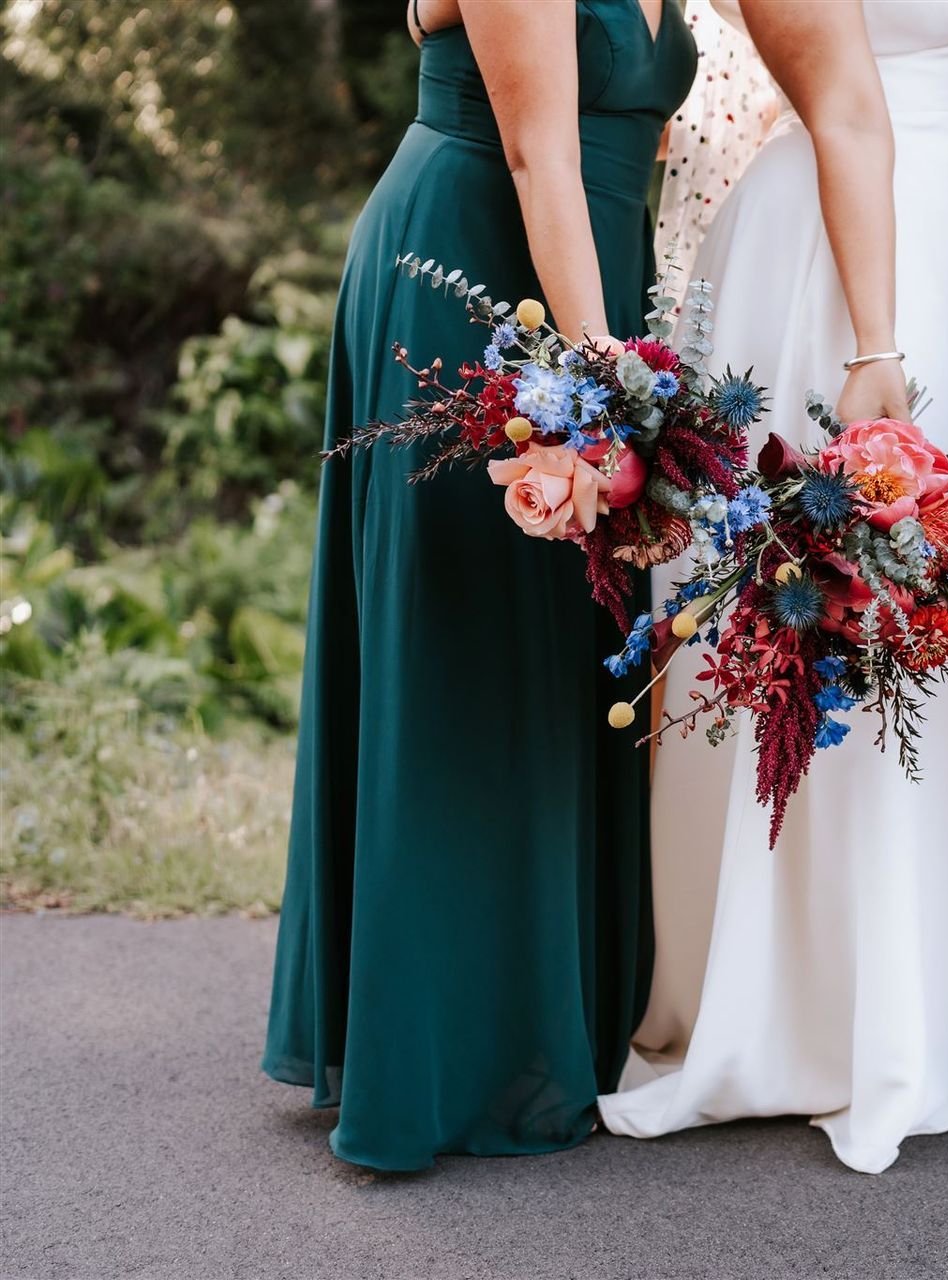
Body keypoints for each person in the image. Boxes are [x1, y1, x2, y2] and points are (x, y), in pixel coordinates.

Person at [597, 0, 948, 1175]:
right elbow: (843, 100)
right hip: (852, 253)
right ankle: (812, 1005)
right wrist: (874, 343)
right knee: (844, 599)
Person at [263, 0, 696, 1170]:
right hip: (468, 273)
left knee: (561, 644)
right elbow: (535, 149)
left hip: (585, 274)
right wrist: (603, 381)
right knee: (459, 645)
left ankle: (546, 1022)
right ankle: (437, 1052)